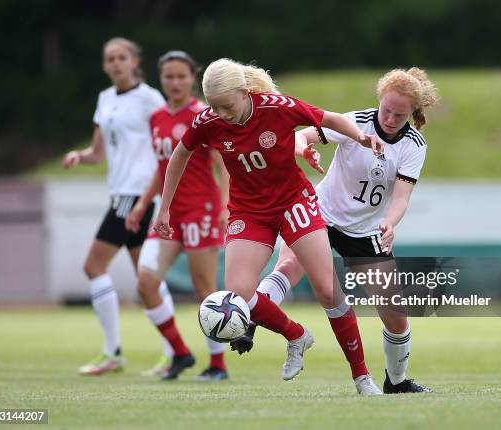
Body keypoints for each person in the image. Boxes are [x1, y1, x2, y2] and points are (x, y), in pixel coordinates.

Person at [153, 58, 386, 396]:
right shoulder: (208, 119)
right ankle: (296, 335)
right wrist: (164, 209)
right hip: (249, 212)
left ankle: (363, 378)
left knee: (327, 290)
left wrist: (362, 138)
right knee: (238, 294)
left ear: (245, 93)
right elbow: (179, 155)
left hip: (294, 203)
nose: (222, 114)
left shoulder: (278, 107)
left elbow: (330, 118)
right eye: (215, 107)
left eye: (227, 105)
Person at [233, 67, 439, 394]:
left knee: (396, 316)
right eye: (386, 110)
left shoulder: (414, 145)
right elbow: (303, 134)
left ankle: (396, 382)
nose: (389, 118)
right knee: (288, 266)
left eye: (399, 115)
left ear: (411, 113)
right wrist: (302, 147)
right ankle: (250, 322)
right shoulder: (356, 121)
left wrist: (390, 222)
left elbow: (401, 197)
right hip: (320, 214)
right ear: (380, 100)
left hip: (366, 231)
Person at [62, 37, 167, 375]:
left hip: (136, 195)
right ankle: (171, 351)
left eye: (122, 57)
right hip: (121, 194)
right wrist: (80, 156)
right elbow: (98, 152)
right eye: (110, 59)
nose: (115, 63)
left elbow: (168, 142)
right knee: (145, 277)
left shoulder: (149, 98)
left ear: (135, 62)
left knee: (96, 266)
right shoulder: (105, 99)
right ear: (105, 65)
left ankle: (117, 352)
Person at [125, 51, 231, 381]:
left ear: (193, 78)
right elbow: (164, 168)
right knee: (146, 283)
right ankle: (181, 353)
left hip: (202, 211)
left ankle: (218, 365)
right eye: (168, 76)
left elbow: (223, 165)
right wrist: (144, 205)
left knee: (204, 290)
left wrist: (227, 206)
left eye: (181, 76)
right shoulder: (157, 117)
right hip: (169, 215)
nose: (174, 82)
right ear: (161, 79)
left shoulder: (204, 114)